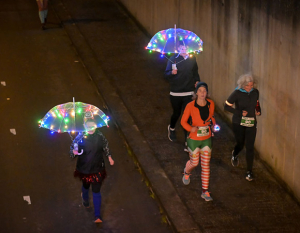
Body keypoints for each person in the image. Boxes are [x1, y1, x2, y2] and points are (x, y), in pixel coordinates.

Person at [72, 118, 114, 223]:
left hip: (98, 168)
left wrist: (109, 156)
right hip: (85, 168)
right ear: (85, 127)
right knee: (86, 186)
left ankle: (97, 216)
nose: (91, 129)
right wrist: (74, 152)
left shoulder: (100, 135)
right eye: (89, 127)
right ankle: (85, 198)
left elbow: (105, 145)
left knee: (96, 191)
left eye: (93, 127)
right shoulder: (80, 137)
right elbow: (72, 150)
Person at [181, 82, 217, 201]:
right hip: (194, 139)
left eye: (204, 91)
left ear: (207, 93)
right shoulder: (190, 106)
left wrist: (213, 126)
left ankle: (205, 191)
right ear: (196, 92)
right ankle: (186, 171)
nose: (202, 93)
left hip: (206, 138)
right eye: (200, 91)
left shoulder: (211, 104)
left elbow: (211, 117)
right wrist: (191, 128)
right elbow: (183, 122)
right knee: (195, 162)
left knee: (206, 165)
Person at [224, 73, 261, 181]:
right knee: (240, 143)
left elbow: (257, 102)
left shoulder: (255, 92)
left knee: (250, 147)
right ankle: (235, 153)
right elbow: (226, 106)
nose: (249, 88)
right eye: (247, 86)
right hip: (238, 123)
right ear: (242, 85)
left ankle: (249, 172)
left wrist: (258, 110)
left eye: (251, 85)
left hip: (251, 123)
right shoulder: (237, 93)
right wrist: (239, 112)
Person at [164, 41, 200, 143]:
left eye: (186, 47)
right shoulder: (173, 59)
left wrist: (197, 81)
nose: (184, 49)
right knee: (176, 113)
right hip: (176, 92)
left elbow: (195, 72)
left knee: (187, 116)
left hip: (188, 92)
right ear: (178, 48)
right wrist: (171, 72)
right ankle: (171, 128)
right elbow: (166, 75)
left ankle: (187, 140)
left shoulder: (192, 59)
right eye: (181, 47)